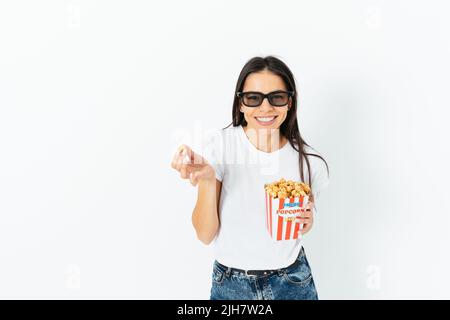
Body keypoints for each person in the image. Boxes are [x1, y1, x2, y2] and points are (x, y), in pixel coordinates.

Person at [171, 56, 330, 300]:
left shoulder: (309, 161)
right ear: (241, 104)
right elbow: (204, 234)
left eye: (276, 97)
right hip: (231, 286)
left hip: (292, 283)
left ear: (290, 102)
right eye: (253, 98)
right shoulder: (220, 147)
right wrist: (207, 179)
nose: (265, 108)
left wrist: (308, 221)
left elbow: (304, 223)